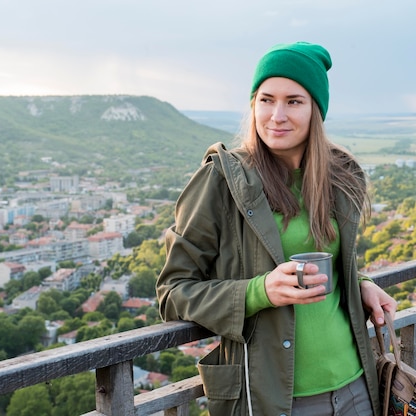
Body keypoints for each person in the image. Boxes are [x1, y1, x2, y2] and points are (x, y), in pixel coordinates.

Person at [156, 41, 398, 416]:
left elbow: (332, 259)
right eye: (266, 99)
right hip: (274, 400)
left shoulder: (340, 177)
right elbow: (172, 291)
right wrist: (260, 291)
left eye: (294, 101)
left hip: (355, 387)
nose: (276, 115)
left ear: (316, 109)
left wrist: (358, 281)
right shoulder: (221, 180)